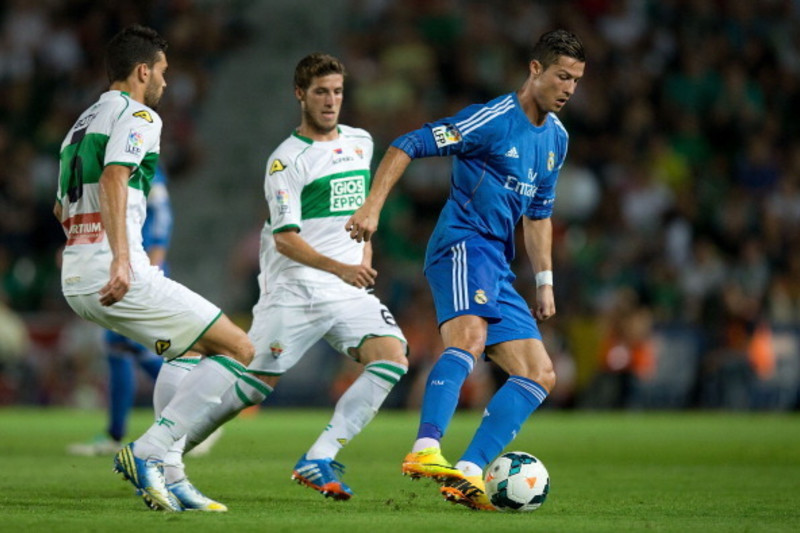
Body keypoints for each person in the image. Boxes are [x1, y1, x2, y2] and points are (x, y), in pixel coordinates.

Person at [346, 29, 586, 510]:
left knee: (540, 374)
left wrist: (544, 281)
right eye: (562, 75)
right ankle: (425, 448)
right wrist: (372, 206)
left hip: (496, 263)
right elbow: (407, 143)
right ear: (535, 69)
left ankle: (470, 472)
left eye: (577, 80)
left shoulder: (556, 139)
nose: (569, 88)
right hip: (461, 245)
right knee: (469, 341)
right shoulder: (492, 119)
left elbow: (539, 214)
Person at [178, 52, 408, 500]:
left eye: (337, 91)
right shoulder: (286, 160)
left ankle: (319, 456)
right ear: (300, 95)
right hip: (297, 288)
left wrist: (362, 250)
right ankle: (165, 449)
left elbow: (359, 213)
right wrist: (342, 267)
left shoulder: (361, 142)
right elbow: (285, 239)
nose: (330, 100)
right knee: (254, 388)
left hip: (347, 289)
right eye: (321, 91)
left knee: (392, 357)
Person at [54, 24, 254, 512]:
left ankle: (174, 476)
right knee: (240, 349)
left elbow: (61, 208)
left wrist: (91, 252)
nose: (166, 80)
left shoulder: (80, 123)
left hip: (77, 275)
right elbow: (116, 176)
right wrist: (121, 258)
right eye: (163, 71)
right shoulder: (138, 113)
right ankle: (150, 452)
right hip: (117, 270)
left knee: (186, 355)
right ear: (143, 71)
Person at [66, 166, 223, 458]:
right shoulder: (114, 163)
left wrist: (155, 263)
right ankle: (126, 430)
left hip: (142, 267)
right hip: (124, 264)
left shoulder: (141, 165)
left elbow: (162, 214)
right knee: (122, 346)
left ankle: (194, 416)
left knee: (130, 346)